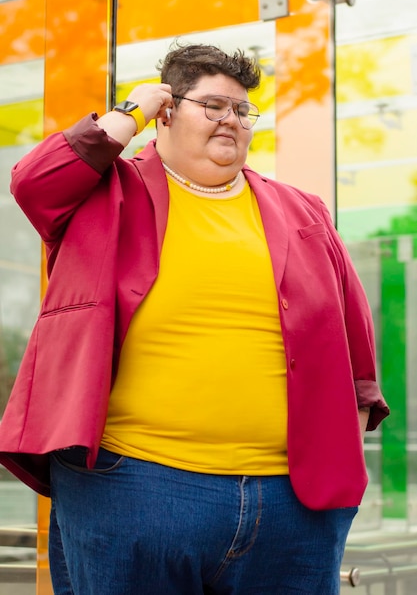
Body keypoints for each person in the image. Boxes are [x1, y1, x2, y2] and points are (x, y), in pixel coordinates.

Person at [0, 43, 389, 595]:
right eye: (212, 105)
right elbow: (34, 182)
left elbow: (354, 346)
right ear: (166, 110)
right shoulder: (106, 193)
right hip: (134, 487)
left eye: (242, 110)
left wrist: (339, 482)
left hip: (290, 503)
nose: (232, 119)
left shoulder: (303, 212)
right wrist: (128, 111)